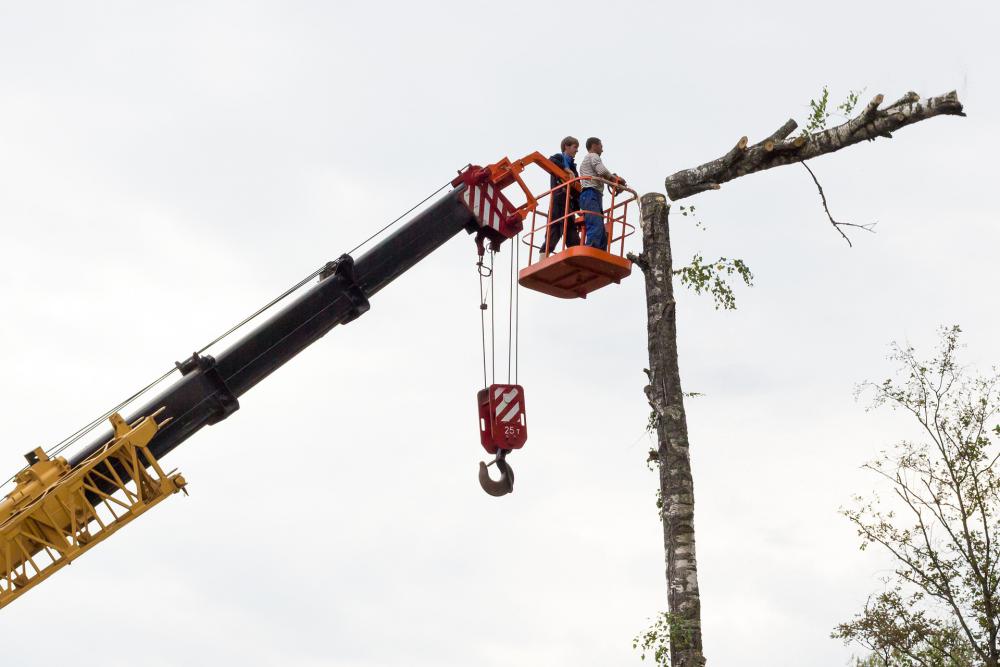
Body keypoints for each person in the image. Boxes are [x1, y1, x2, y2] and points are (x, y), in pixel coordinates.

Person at [578, 137, 626, 251]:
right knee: (596, 225)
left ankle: (600, 251)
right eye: (601, 146)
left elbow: (600, 175)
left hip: (593, 194)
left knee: (599, 227)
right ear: (594, 145)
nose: (602, 150)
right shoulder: (593, 156)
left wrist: (614, 181)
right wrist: (615, 179)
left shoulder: (588, 161)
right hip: (590, 194)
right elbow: (602, 171)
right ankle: (592, 251)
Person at [544, 136, 580, 254]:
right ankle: (543, 258)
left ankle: (577, 262)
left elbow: (577, 188)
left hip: (568, 205)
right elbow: (550, 161)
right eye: (575, 147)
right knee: (554, 232)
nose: (577, 150)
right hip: (559, 202)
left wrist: (579, 207)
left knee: (573, 237)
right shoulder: (559, 158)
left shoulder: (574, 168)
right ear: (566, 146)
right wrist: (566, 169)